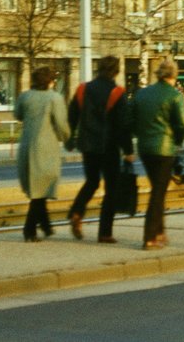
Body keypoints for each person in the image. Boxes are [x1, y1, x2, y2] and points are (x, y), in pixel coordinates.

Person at [67, 55, 134, 244]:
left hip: (87, 144)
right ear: (116, 71)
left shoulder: (82, 89)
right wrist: (128, 150)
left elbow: (72, 116)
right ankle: (105, 233)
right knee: (110, 189)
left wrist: (70, 138)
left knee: (92, 181)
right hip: (109, 147)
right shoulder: (117, 93)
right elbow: (122, 126)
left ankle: (77, 212)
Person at [130, 58, 184, 250]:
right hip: (165, 149)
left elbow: (131, 119)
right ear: (173, 75)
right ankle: (150, 237)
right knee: (157, 194)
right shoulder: (174, 95)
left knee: (158, 190)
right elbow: (183, 124)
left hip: (145, 149)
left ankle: (160, 232)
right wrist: (179, 140)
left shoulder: (142, 94)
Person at [14, 66, 69, 242]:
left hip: (26, 144)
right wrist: (67, 138)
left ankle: (46, 225)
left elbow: (18, 114)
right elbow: (61, 124)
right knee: (43, 185)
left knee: (38, 185)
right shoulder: (55, 98)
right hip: (46, 147)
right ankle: (29, 230)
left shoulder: (24, 96)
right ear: (51, 81)